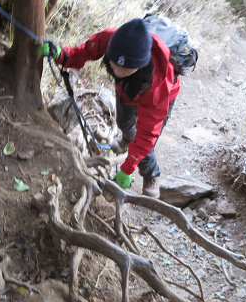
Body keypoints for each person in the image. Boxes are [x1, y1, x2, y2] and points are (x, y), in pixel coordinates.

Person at [39, 18, 180, 198]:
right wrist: (60, 54)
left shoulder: (159, 84)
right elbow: (82, 52)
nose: (117, 72)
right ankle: (127, 138)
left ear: (140, 65)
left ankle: (151, 175)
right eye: (114, 66)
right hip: (126, 89)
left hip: (160, 94)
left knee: (144, 139)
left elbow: (148, 134)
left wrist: (128, 169)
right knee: (124, 122)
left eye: (124, 69)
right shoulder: (111, 40)